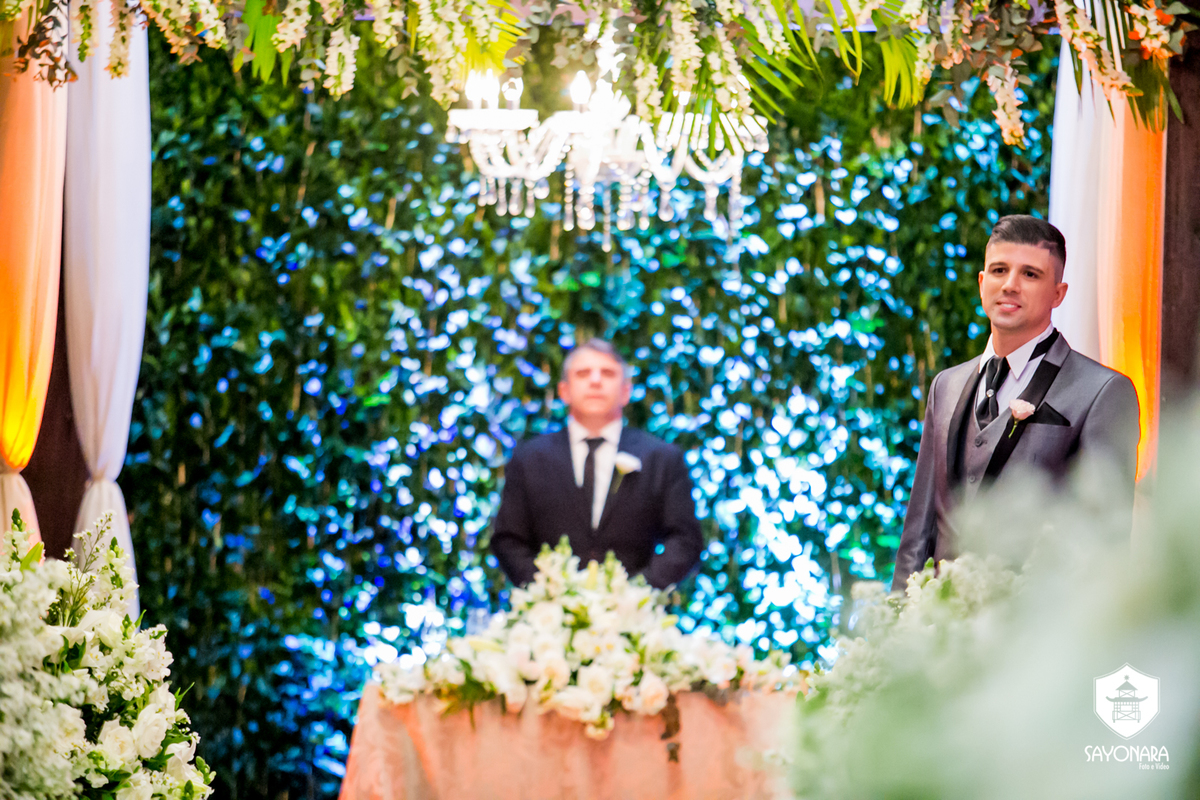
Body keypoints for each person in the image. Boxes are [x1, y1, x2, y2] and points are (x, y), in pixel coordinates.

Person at [891, 215, 1140, 591]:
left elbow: (1106, 545)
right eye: (999, 270)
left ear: (1058, 293)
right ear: (981, 283)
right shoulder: (946, 385)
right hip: (939, 622)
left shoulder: (1103, 391)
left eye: (1030, 274)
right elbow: (918, 530)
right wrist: (899, 616)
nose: (1010, 285)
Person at [491, 339, 704, 589]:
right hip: (549, 604)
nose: (595, 381)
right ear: (564, 391)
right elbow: (509, 539)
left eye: (607, 373)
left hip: (636, 607)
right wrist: (550, 592)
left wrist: (637, 593)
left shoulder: (661, 458)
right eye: (583, 373)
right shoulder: (529, 458)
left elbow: (684, 539)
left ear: (625, 391)